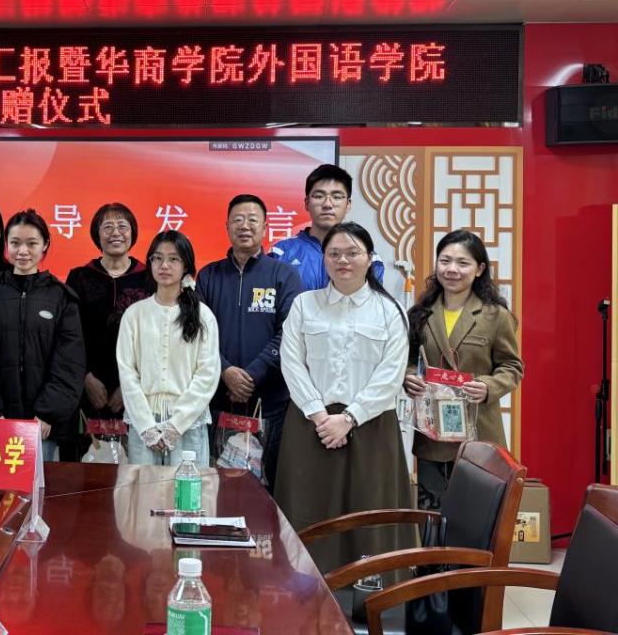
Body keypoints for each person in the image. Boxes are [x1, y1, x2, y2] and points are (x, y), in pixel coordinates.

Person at [276, 221, 412, 573]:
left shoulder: (390, 310)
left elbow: (391, 374)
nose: (343, 260)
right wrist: (320, 415)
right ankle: (304, 587)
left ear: (370, 259)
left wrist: (350, 418)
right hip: (311, 426)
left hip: (371, 426)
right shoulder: (305, 305)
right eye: (334, 253)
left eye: (353, 253)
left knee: (369, 511)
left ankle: (373, 592)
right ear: (324, 259)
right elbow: (291, 362)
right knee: (308, 509)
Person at [404, 230, 523, 510]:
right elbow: (409, 359)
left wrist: (489, 387)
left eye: (462, 263)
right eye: (445, 261)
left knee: (477, 516)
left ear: (479, 269)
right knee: (432, 516)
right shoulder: (421, 313)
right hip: (432, 433)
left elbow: (512, 366)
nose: (452, 269)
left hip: (479, 431)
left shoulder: (495, 315)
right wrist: (409, 377)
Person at [197, 194, 303, 485]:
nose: (245, 226)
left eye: (252, 220)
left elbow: (290, 332)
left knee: (267, 485)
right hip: (218, 399)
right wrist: (225, 371)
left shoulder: (284, 275)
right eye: (238, 220)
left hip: (270, 402)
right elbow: (198, 334)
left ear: (265, 227)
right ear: (227, 226)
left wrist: (252, 375)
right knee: (216, 485)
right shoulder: (208, 276)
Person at [0, 209, 85, 461]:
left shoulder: (61, 296)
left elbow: (69, 362)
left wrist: (47, 413)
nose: (23, 251)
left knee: (41, 484)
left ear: (45, 245)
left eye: (32, 243)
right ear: (6, 245)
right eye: (15, 243)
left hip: (43, 426)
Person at [116, 230, 220, 466]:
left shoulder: (203, 315)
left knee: (187, 487)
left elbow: (208, 374)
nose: (164, 265)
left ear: (186, 266)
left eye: (173, 259)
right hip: (143, 423)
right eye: (157, 258)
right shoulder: (134, 314)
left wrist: (175, 425)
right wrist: (146, 427)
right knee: (143, 487)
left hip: (188, 423)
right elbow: (127, 372)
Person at [65, 203, 152, 443]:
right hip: (87, 385)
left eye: (122, 226)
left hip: (137, 389)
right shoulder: (79, 277)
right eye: (108, 227)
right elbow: (68, 335)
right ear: (97, 234)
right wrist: (86, 377)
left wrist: (130, 386)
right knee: (87, 460)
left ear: (132, 232)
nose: (116, 233)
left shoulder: (149, 278)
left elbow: (155, 339)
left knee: (133, 460)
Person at [271, 164, 385, 289]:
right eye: (319, 196)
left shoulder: (367, 258)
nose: (327, 204)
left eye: (337, 197)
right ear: (307, 203)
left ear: (348, 204)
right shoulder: (280, 253)